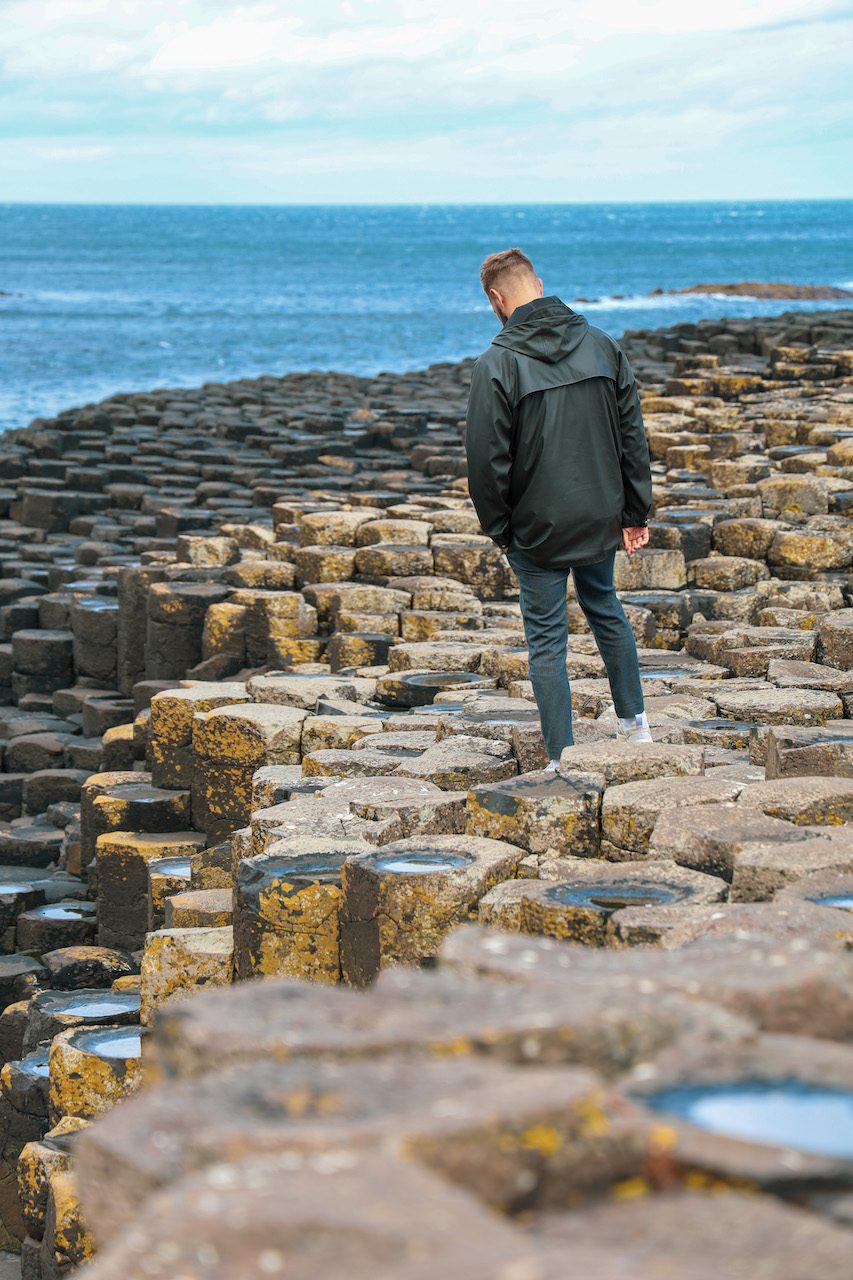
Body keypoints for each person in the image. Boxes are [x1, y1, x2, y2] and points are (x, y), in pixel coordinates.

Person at [465, 247, 653, 767]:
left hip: (537, 528)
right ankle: (636, 729)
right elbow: (631, 438)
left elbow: (486, 462)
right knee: (606, 609)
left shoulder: (497, 363)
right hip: (599, 516)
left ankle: (560, 757)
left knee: (547, 641)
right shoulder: (601, 345)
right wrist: (635, 513)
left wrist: (501, 531)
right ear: (540, 285)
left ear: (496, 299)